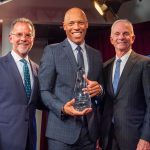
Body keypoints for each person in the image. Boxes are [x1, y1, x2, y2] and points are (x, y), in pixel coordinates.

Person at [38, 7, 103, 150]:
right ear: (64, 26)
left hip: (90, 135)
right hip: (61, 134)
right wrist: (62, 108)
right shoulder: (52, 51)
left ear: (86, 24)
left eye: (80, 22)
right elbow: (44, 91)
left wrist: (99, 90)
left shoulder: (96, 55)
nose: (76, 27)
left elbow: (101, 91)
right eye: (71, 23)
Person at [100, 19, 150, 150]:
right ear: (111, 39)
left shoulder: (144, 64)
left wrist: (146, 137)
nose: (121, 37)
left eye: (125, 33)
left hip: (135, 138)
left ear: (132, 38)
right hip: (108, 138)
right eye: (117, 34)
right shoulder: (105, 67)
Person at [0, 18, 43, 150]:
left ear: (32, 39)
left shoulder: (38, 69)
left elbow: (41, 102)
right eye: (19, 34)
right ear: (10, 38)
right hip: (5, 140)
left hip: (30, 140)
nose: (23, 39)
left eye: (28, 35)